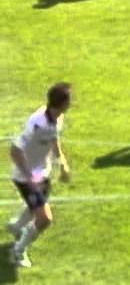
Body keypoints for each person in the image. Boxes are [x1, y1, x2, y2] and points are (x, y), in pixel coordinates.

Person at [7, 82, 72, 269]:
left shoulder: (57, 118)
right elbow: (15, 150)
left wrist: (62, 163)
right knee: (45, 219)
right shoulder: (37, 123)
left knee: (35, 206)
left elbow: (54, 138)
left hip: (42, 172)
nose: (71, 103)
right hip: (26, 176)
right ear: (61, 103)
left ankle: (17, 226)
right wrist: (30, 179)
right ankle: (18, 251)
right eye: (69, 100)